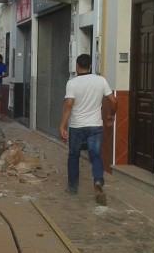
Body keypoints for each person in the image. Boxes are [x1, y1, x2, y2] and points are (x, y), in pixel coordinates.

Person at [59, 54, 117, 206]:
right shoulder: (101, 80)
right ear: (90, 66)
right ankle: (98, 181)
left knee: (73, 156)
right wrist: (111, 115)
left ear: (77, 66)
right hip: (95, 126)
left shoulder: (72, 83)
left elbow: (68, 105)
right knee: (96, 155)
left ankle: (72, 188)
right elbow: (113, 100)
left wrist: (62, 126)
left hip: (77, 126)